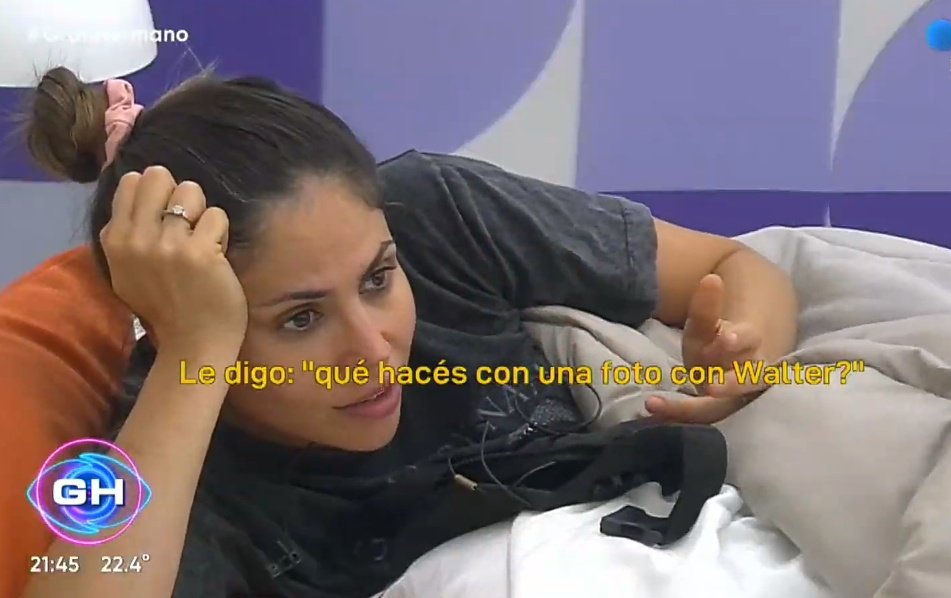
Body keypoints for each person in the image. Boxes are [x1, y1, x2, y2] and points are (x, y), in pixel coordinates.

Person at [20, 66, 797, 598]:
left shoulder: (436, 215)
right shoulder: (170, 455)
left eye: (378, 279)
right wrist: (192, 357)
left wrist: (743, 347)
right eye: (299, 319)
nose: (372, 350)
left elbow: (734, 264)